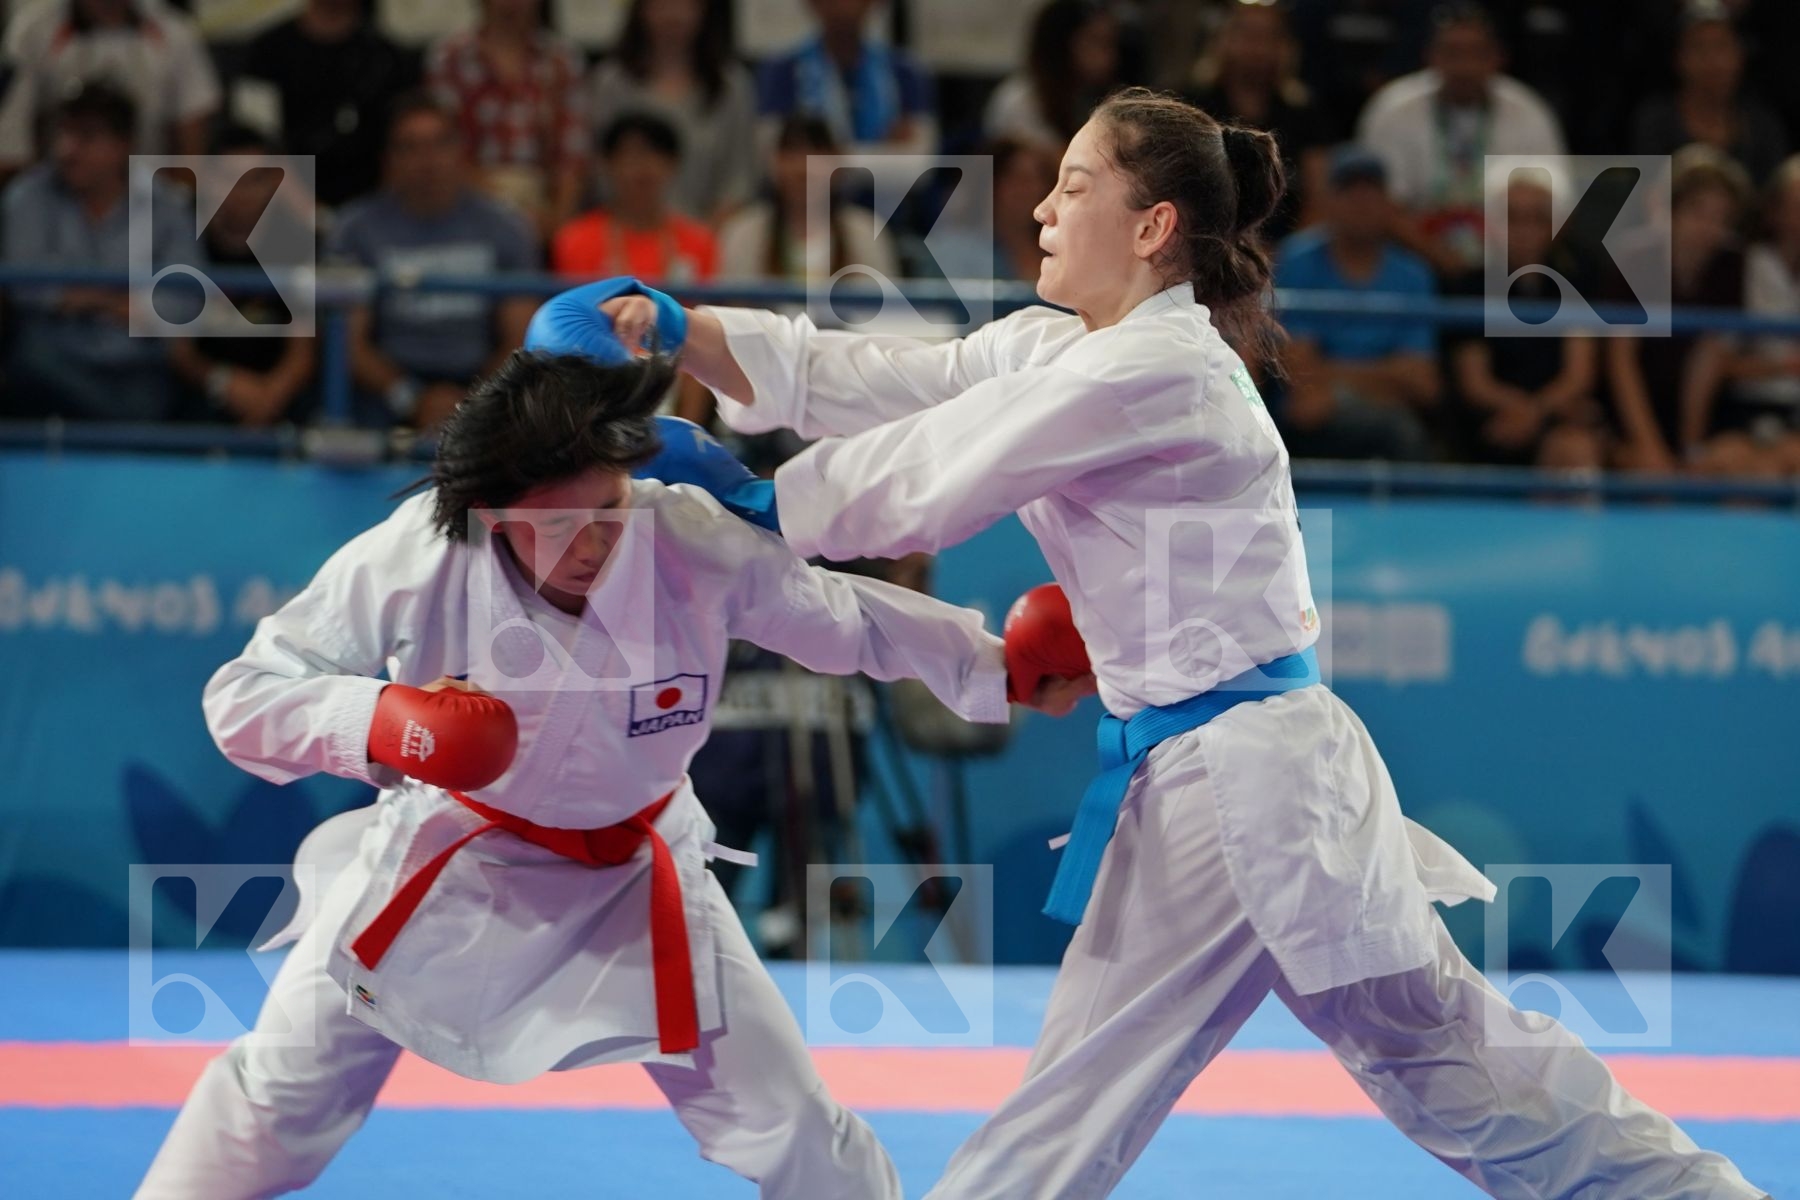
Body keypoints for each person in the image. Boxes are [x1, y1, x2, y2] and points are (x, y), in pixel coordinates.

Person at [579, 86, 1769, 1199]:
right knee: (1435, 1052)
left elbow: (935, 481)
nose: (1041, 206)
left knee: (1096, 1095)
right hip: (1232, 770)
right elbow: (899, 380)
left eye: (1074, 186)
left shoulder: (1159, 365)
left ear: (1152, 226)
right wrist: (690, 333)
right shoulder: (1071, 348)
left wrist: (748, 497)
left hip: (1243, 782)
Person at [135, 326, 1018, 1199]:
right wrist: (384, 721)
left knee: (790, 1123)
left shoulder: (685, 539)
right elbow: (244, 694)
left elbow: (846, 619)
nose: (596, 540)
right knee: (276, 1100)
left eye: (610, 508)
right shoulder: (426, 550)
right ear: (500, 509)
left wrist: (997, 664)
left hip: (640, 872)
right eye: (563, 522)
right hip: (449, 860)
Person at [327, 92, 539, 430]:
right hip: (388, 389)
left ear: (461, 151)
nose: (428, 160)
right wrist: (411, 397)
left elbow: (520, 337)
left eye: (440, 143)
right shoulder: (355, 229)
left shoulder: (505, 226)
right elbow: (349, 344)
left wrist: (472, 401)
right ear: (389, 159)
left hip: (483, 384)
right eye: (410, 147)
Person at [0, 82, 201, 421]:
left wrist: (81, 298)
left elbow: (185, 300)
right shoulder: (27, 197)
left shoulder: (165, 204)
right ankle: (125, 427)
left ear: (124, 145)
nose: (66, 149)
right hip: (52, 362)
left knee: (164, 389)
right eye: (62, 134)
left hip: (138, 366)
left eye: (86, 137)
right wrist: (118, 301)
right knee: (27, 361)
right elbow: (26, 288)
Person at [1356, 2, 1565, 276]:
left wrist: (1503, 258)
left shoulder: (1528, 112)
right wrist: (1439, 257)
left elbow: (1556, 205)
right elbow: (1377, 204)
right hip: (1413, 260)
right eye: (1452, 53)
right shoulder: (1393, 110)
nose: (1464, 66)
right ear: (1430, 55)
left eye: (1476, 53)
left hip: (1507, 262)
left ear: (1498, 57)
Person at [1273, 145, 1439, 461]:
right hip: (1313, 423)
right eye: (1349, 191)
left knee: (1400, 429)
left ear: (1388, 203)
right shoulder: (1297, 261)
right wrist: (1388, 377)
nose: (1362, 203)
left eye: (1371, 191)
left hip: (1380, 413)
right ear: (1329, 201)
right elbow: (1301, 379)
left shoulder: (1413, 274)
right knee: (1394, 429)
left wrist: (1335, 382)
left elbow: (1422, 383)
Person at [1604, 145, 1755, 475]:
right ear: (1671, 209)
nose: (1708, 227)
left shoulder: (1731, 263)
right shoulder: (1633, 258)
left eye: (1721, 217)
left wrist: (1691, 451)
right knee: (1645, 477)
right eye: (1698, 211)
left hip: (1704, 415)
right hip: (1631, 416)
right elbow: (1622, 360)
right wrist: (1649, 445)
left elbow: (1709, 357)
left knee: (1739, 466)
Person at [1445, 176, 1605, 469]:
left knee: (1576, 447)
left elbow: (1578, 374)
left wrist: (1535, 413)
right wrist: (1521, 411)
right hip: (1492, 422)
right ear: (1494, 226)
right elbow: (1475, 383)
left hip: (1554, 419)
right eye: (1513, 218)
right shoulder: (1469, 287)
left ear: (1553, 229)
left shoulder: (1576, 285)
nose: (1524, 231)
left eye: (1536, 219)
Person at [168, 126, 318, 427]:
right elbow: (176, 350)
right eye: (228, 179)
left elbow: (302, 352)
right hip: (203, 393)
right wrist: (224, 383)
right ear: (207, 180)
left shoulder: (297, 242)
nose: (240, 194)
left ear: (274, 182)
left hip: (279, 395)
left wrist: (270, 396)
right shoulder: (181, 238)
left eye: (253, 180)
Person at [235, 0, 420, 210]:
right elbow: (254, 144)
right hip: (284, 205)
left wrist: (375, 214)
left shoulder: (391, 59)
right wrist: (309, 211)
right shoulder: (265, 54)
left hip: (378, 208)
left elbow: (408, 145)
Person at [426, 0, 587, 241]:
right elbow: (444, 148)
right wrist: (506, 212)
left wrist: (558, 223)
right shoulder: (449, 57)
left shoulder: (562, 60)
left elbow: (572, 158)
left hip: (544, 207)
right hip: (469, 206)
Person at [0, 0, 219, 177]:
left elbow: (192, 142)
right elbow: (11, 143)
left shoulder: (175, 31)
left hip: (148, 191)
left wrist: (170, 207)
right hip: (57, 194)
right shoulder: (31, 31)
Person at [588, 0, 760, 224]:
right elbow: (600, 175)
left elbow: (740, 182)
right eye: (662, 4)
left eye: (685, 4)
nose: (673, 15)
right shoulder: (610, 83)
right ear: (641, 9)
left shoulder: (733, 87)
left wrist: (696, 241)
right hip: (625, 236)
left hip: (710, 238)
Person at [1183, 0, 1329, 242]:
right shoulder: (1192, 106)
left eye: (1268, 36)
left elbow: (1320, 196)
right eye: (1248, 34)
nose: (1258, 47)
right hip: (1207, 245)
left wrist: (1285, 256)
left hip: (1284, 254)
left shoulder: (1304, 113)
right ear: (1223, 39)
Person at [716, 114, 894, 285]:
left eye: (817, 152)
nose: (804, 167)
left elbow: (883, 311)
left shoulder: (865, 233)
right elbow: (732, 307)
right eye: (792, 153)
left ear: (838, 165)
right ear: (774, 164)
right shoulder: (744, 233)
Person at [551, 112, 720, 285]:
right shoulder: (575, 241)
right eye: (631, 155)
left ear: (673, 164)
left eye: (655, 154)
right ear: (607, 164)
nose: (643, 167)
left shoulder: (700, 242)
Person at [1631, 3, 1786, 188]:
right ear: (1678, 58)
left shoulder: (1763, 126)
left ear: (1740, 56)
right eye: (1699, 48)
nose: (1712, 61)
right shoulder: (1655, 122)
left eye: (1721, 47)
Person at [756, 0, 936, 157]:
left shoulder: (906, 73)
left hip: (889, 196)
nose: (843, 6)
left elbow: (921, 162)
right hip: (812, 195)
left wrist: (827, 157)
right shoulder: (783, 71)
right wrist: (885, 153)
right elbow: (772, 160)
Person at [983, 0, 1121, 152]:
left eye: (1111, 43)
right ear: (1061, 44)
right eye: (1096, 42)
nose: (1109, 56)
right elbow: (1035, 168)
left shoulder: (1093, 97)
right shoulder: (1019, 100)